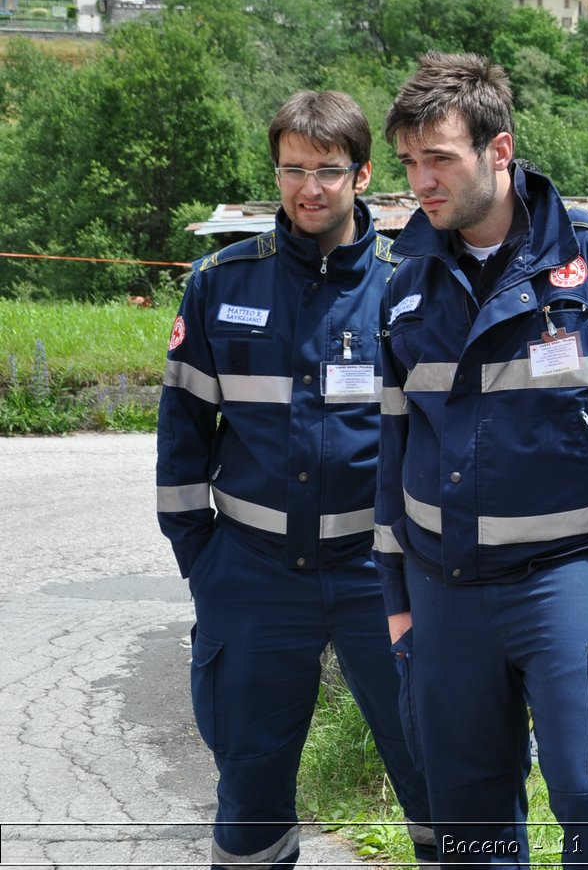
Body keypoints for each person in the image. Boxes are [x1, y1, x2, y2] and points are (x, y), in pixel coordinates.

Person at [375, 51, 588, 867]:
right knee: (468, 815)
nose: (422, 181)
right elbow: (393, 446)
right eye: (410, 162)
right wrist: (395, 594)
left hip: (563, 578)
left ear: (500, 149)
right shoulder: (405, 278)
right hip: (442, 590)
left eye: (440, 158)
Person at [156, 90, 436, 869]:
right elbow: (181, 437)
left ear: (363, 174)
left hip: (381, 575)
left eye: (327, 170)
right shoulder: (221, 283)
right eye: (292, 169)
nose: (308, 187)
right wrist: (204, 565)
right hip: (250, 574)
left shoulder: (410, 284)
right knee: (248, 787)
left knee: (435, 770)